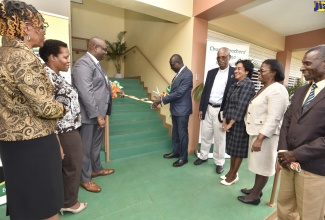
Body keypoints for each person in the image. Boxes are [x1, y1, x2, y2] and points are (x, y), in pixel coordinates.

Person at [0, 1, 66, 219]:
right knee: (45, 208)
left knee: (25, 207)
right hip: (34, 144)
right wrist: (63, 107)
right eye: (41, 25)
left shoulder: (4, 53)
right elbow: (45, 106)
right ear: (26, 27)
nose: (44, 30)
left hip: (12, 145)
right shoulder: (23, 57)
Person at [39, 39, 87, 215]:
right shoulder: (47, 77)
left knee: (68, 167)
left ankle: (64, 200)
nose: (68, 60)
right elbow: (47, 111)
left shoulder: (54, 75)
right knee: (72, 167)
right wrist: (57, 139)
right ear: (52, 57)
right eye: (65, 57)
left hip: (68, 129)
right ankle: (70, 203)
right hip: (64, 132)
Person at [277, 45, 325, 219]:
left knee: (310, 214)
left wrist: (296, 154)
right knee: (285, 207)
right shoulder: (300, 91)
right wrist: (283, 151)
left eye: (307, 63)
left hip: (314, 168)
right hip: (288, 164)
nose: (302, 67)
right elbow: (287, 121)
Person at [238, 59, 288, 205]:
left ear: (273, 73)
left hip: (266, 136)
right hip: (257, 131)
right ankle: (256, 189)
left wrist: (260, 138)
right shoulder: (266, 87)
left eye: (262, 70)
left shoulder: (278, 90)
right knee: (257, 165)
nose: (258, 73)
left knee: (263, 166)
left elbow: (274, 118)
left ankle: (254, 197)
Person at [72, 37, 114, 193]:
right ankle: (85, 178)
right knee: (85, 148)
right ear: (95, 48)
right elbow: (86, 92)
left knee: (96, 145)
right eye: (104, 49)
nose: (106, 52)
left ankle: (96, 169)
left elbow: (99, 86)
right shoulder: (83, 64)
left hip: (98, 113)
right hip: (89, 116)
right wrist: (97, 115)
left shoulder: (95, 64)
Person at [194, 47, 236, 174]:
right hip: (208, 108)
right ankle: (203, 156)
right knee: (205, 134)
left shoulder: (234, 73)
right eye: (218, 57)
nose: (220, 60)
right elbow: (206, 91)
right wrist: (201, 108)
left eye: (223, 57)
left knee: (219, 138)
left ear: (229, 57)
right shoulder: (211, 72)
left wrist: (228, 114)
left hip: (221, 111)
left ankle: (219, 162)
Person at [152, 54, 193, 167]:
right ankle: (176, 152)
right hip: (175, 109)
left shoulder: (188, 74)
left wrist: (162, 100)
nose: (171, 68)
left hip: (183, 110)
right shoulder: (177, 75)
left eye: (172, 65)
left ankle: (183, 158)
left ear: (178, 63)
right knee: (175, 133)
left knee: (182, 134)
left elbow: (179, 93)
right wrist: (163, 96)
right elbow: (174, 91)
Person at [220, 60, 255, 185]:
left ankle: (233, 175)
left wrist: (230, 124)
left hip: (239, 123)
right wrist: (224, 120)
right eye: (236, 68)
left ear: (247, 71)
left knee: (238, 151)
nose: (236, 70)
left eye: (239, 68)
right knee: (232, 150)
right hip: (230, 121)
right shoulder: (235, 84)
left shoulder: (248, 85)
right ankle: (231, 172)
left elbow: (242, 106)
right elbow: (227, 103)